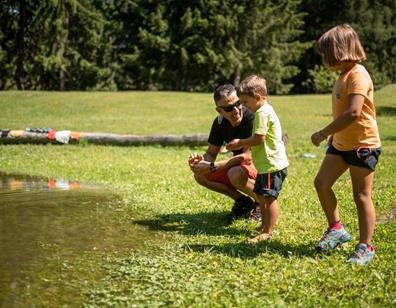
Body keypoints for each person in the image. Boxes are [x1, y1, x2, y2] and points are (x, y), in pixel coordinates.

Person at [311, 24, 381, 266]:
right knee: (321, 183)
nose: (323, 60)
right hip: (341, 143)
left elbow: (353, 113)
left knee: (361, 196)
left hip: (363, 144)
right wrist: (334, 136)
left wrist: (322, 132)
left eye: (325, 54)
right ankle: (336, 228)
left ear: (338, 52)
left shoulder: (358, 75)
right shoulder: (343, 75)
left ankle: (366, 246)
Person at [226, 75, 289, 243]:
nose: (244, 106)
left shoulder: (262, 113)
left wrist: (240, 143)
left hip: (271, 165)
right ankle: (265, 226)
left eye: (246, 102)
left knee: (269, 199)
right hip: (265, 166)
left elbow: (259, 139)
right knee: (261, 197)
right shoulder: (265, 109)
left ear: (258, 97)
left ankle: (267, 231)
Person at [188, 84, 259, 220]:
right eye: (228, 108)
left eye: (238, 103)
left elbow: (247, 157)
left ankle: (261, 203)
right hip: (242, 167)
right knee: (200, 175)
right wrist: (200, 162)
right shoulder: (219, 123)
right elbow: (211, 153)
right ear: (219, 111)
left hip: (262, 168)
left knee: (235, 173)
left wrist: (212, 166)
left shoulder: (252, 118)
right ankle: (242, 201)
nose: (236, 110)